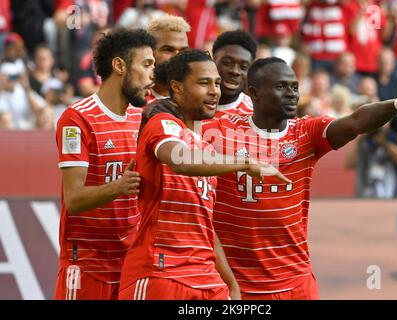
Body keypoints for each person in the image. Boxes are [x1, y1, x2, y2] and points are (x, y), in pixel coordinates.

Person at [202, 57, 397, 299]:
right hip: (240, 287)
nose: (292, 94)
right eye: (281, 87)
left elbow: (356, 121)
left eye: (294, 86)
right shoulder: (220, 131)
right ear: (254, 93)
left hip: (297, 283)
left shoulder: (306, 132)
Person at [118, 50, 289, 300]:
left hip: (207, 279)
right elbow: (180, 160)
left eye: (217, 83)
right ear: (176, 87)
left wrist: (230, 283)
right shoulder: (163, 124)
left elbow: (204, 223)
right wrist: (246, 164)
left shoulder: (207, 150)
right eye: (203, 83)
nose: (214, 91)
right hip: (161, 273)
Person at [54, 28, 156, 300]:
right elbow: (74, 199)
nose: (152, 75)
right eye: (146, 64)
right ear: (119, 65)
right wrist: (119, 187)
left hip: (132, 264)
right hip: (87, 264)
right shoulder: (77, 119)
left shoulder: (143, 119)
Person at [347, 116, 397, 198]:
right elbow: (348, 164)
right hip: (365, 196)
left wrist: (385, 143)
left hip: (393, 197)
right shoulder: (365, 141)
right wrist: (359, 139)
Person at [146, 13, 190, 104]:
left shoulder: (194, 102)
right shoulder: (132, 102)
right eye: (168, 50)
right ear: (150, 52)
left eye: (183, 50)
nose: (178, 57)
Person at [211, 30, 256, 118]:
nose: (235, 71)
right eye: (227, 63)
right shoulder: (188, 106)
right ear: (212, 62)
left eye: (243, 67)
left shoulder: (256, 117)